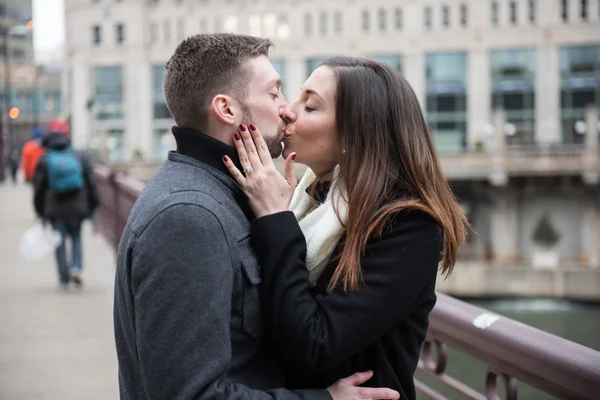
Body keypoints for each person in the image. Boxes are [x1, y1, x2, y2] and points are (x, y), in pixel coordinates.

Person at [113, 34, 399, 400]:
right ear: (227, 110)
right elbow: (189, 394)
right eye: (274, 93)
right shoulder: (190, 215)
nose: (285, 109)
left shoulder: (228, 195)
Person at [223, 57, 469, 400]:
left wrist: (277, 221)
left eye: (309, 106)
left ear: (357, 133)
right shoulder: (308, 200)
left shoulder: (408, 225)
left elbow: (313, 344)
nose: (287, 112)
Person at [34, 120, 98, 289]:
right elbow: (92, 183)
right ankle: (76, 266)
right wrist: (93, 206)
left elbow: (38, 189)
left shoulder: (45, 159)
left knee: (59, 241)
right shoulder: (80, 156)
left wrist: (40, 212)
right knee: (76, 237)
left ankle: (63, 279)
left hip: (54, 209)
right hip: (77, 206)